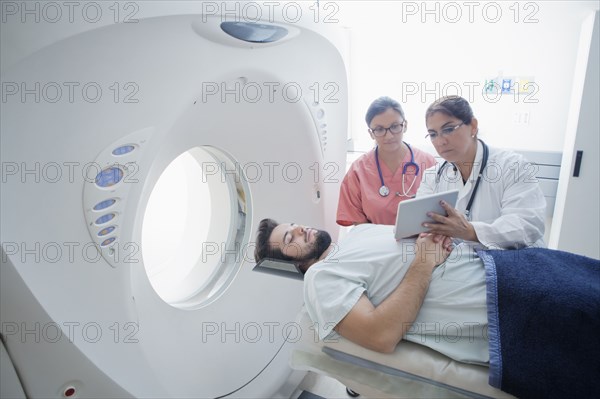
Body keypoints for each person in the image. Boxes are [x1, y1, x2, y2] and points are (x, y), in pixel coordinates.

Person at [254, 218, 489, 364]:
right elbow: (380, 336)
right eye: (290, 237)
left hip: (489, 261)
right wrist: (425, 260)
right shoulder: (320, 276)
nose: (301, 229)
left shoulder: (359, 232)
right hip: (492, 300)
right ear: (291, 264)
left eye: (295, 225)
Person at [416, 95, 546, 249]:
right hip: (463, 263)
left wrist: (470, 231)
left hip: (516, 262)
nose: (440, 141)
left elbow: (527, 225)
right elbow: (421, 223)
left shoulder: (512, 166)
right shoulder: (433, 177)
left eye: (448, 129)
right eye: (433, 134)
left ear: (473, 125)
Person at [336, 96, 436, 226]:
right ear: (371, 133)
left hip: (421, 241)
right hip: (375, 242)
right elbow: (358, 223)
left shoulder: (428, 163)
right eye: (379, 129)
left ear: (405, 125)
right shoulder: (358, 171)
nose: (389, 136)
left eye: (395, 126)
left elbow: (440, 211)